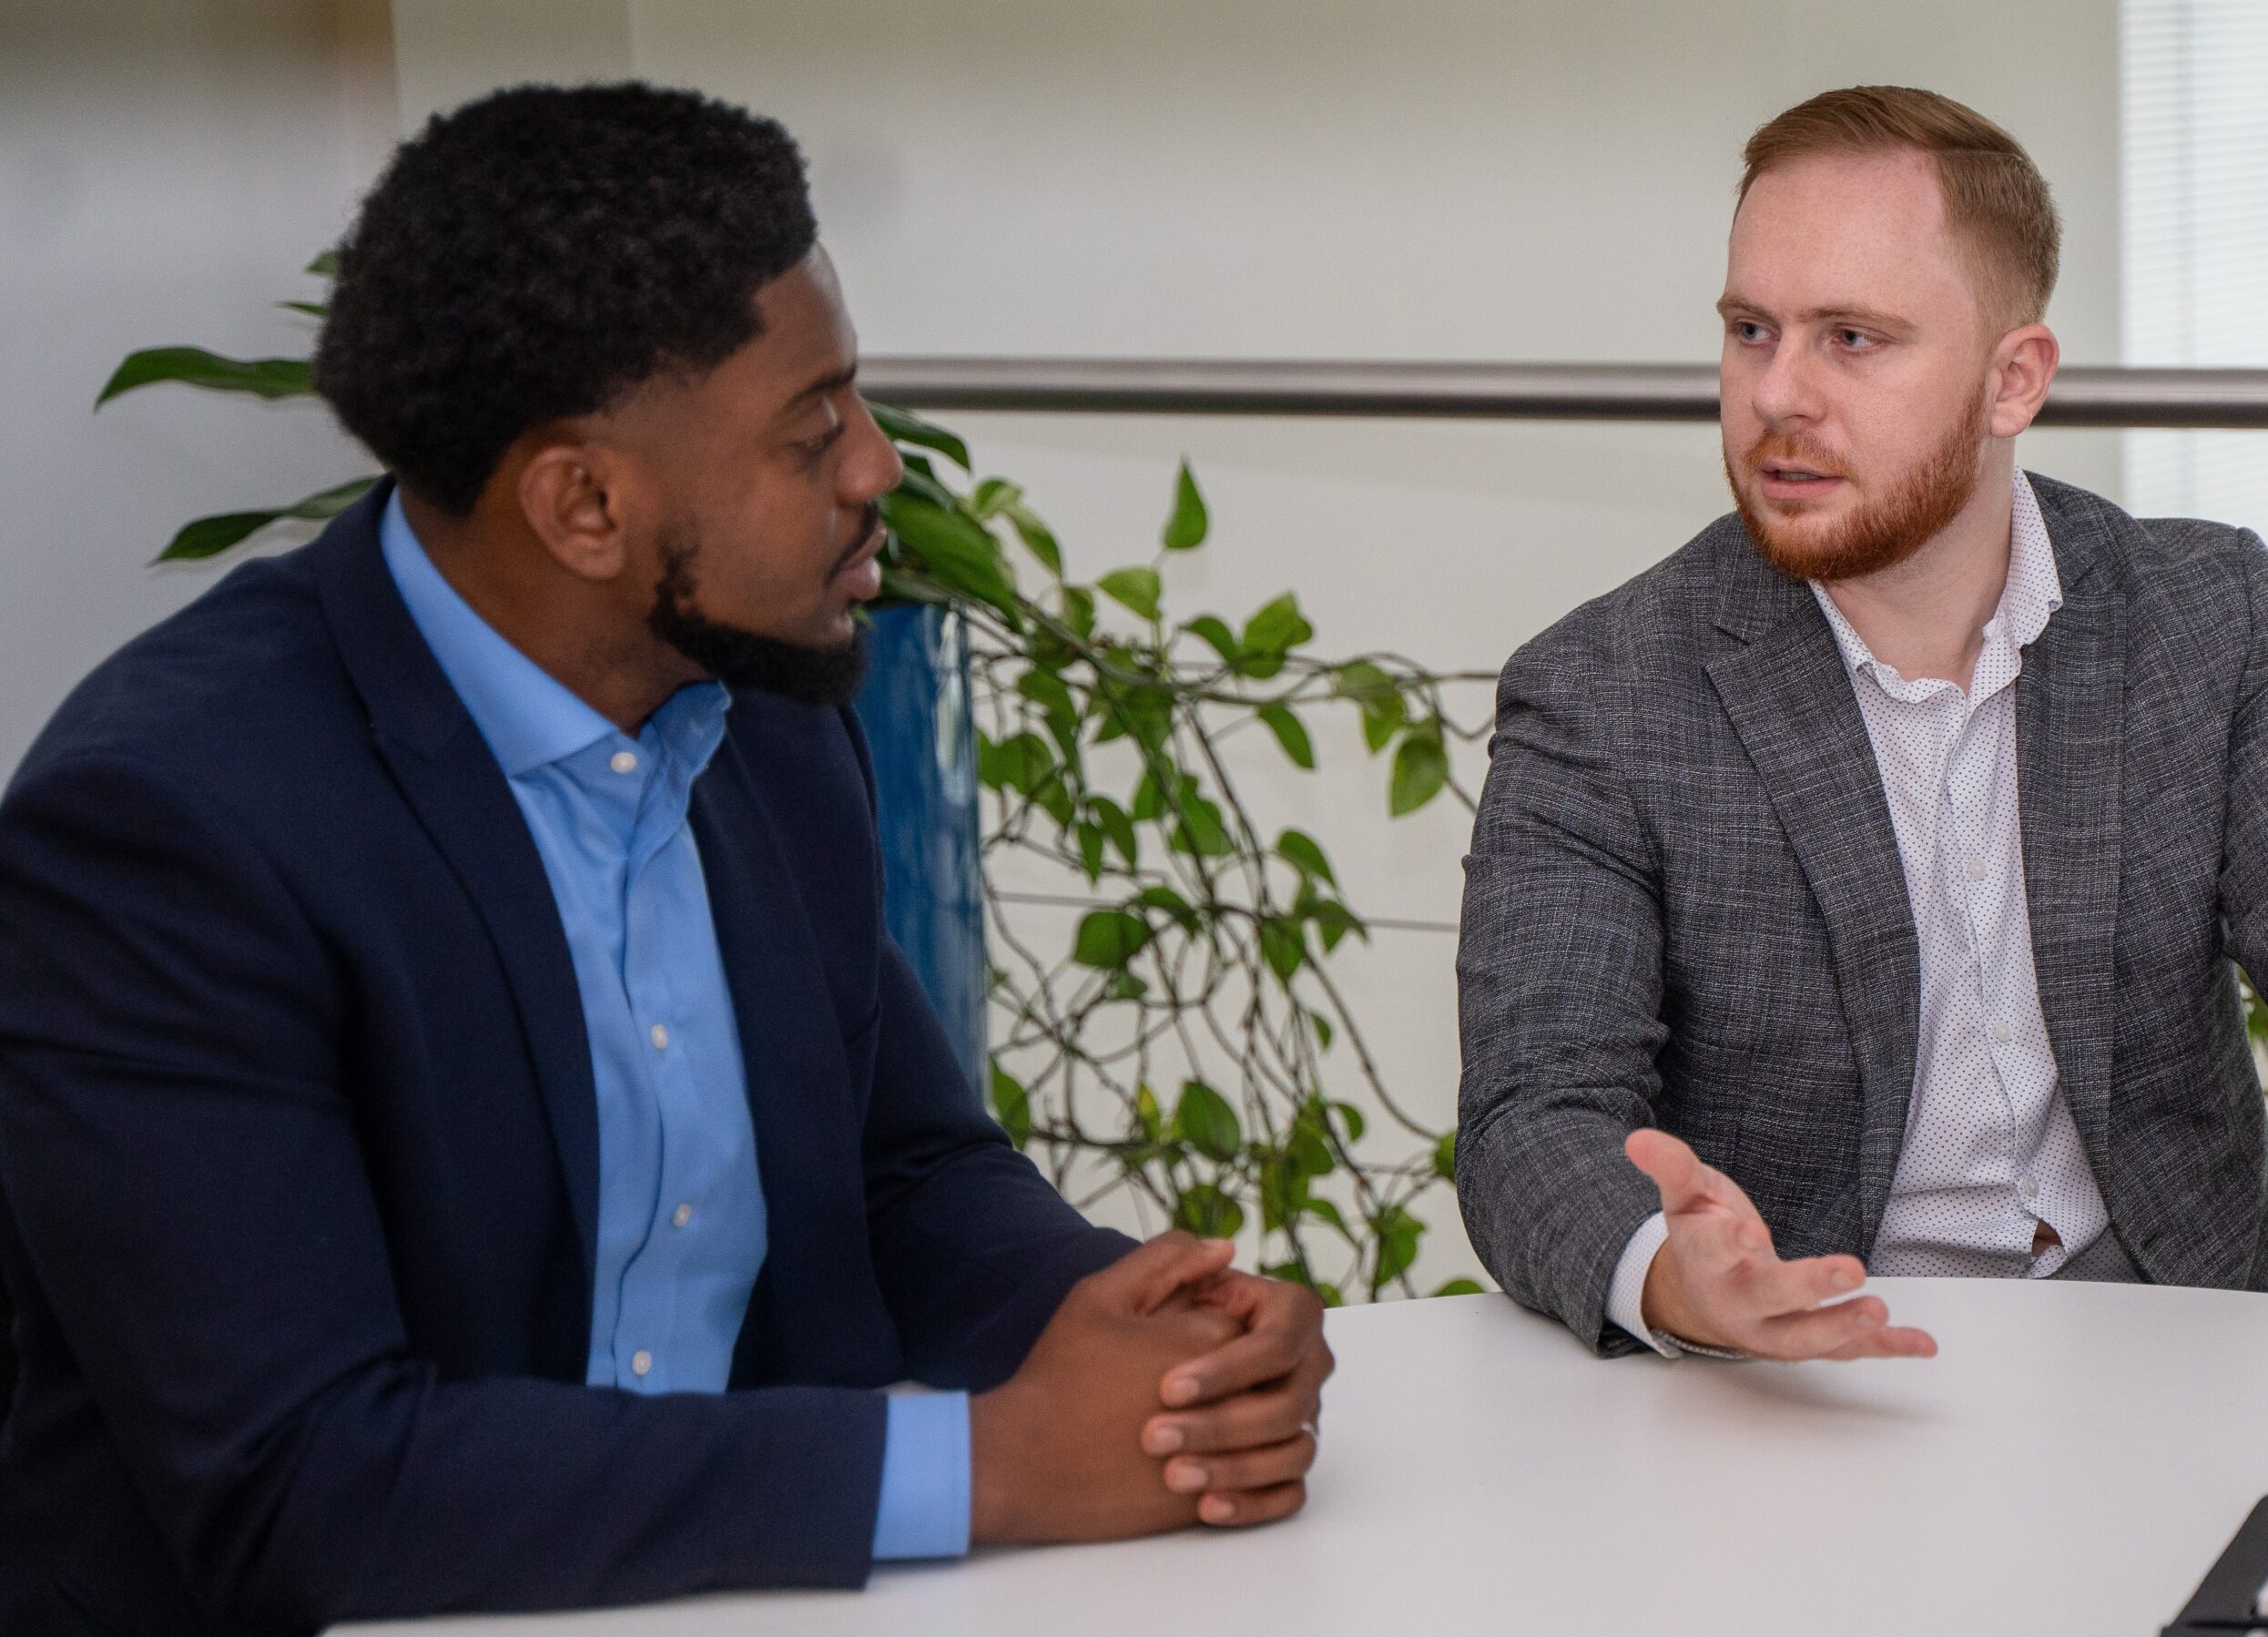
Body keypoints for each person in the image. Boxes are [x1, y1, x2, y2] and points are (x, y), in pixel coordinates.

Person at [0, 84, 1329, 1635]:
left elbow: (900, 1166)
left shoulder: (760, 709)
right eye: (812, 429)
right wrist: (992, 1465)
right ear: (584, 503)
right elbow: (305, 1482)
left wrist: (1158, 1342)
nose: (877, 469)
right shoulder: (166, 829)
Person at [1455, 84, 2268, 1363]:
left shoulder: (2211, 618)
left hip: (2209, 1320)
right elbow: (1533, 1115)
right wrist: (1673, 1275)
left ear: (2012, 380)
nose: (1777, 394)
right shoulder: (1603, 695)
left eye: (1853, 339)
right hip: (1819, 1367)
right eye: (1751, 330)